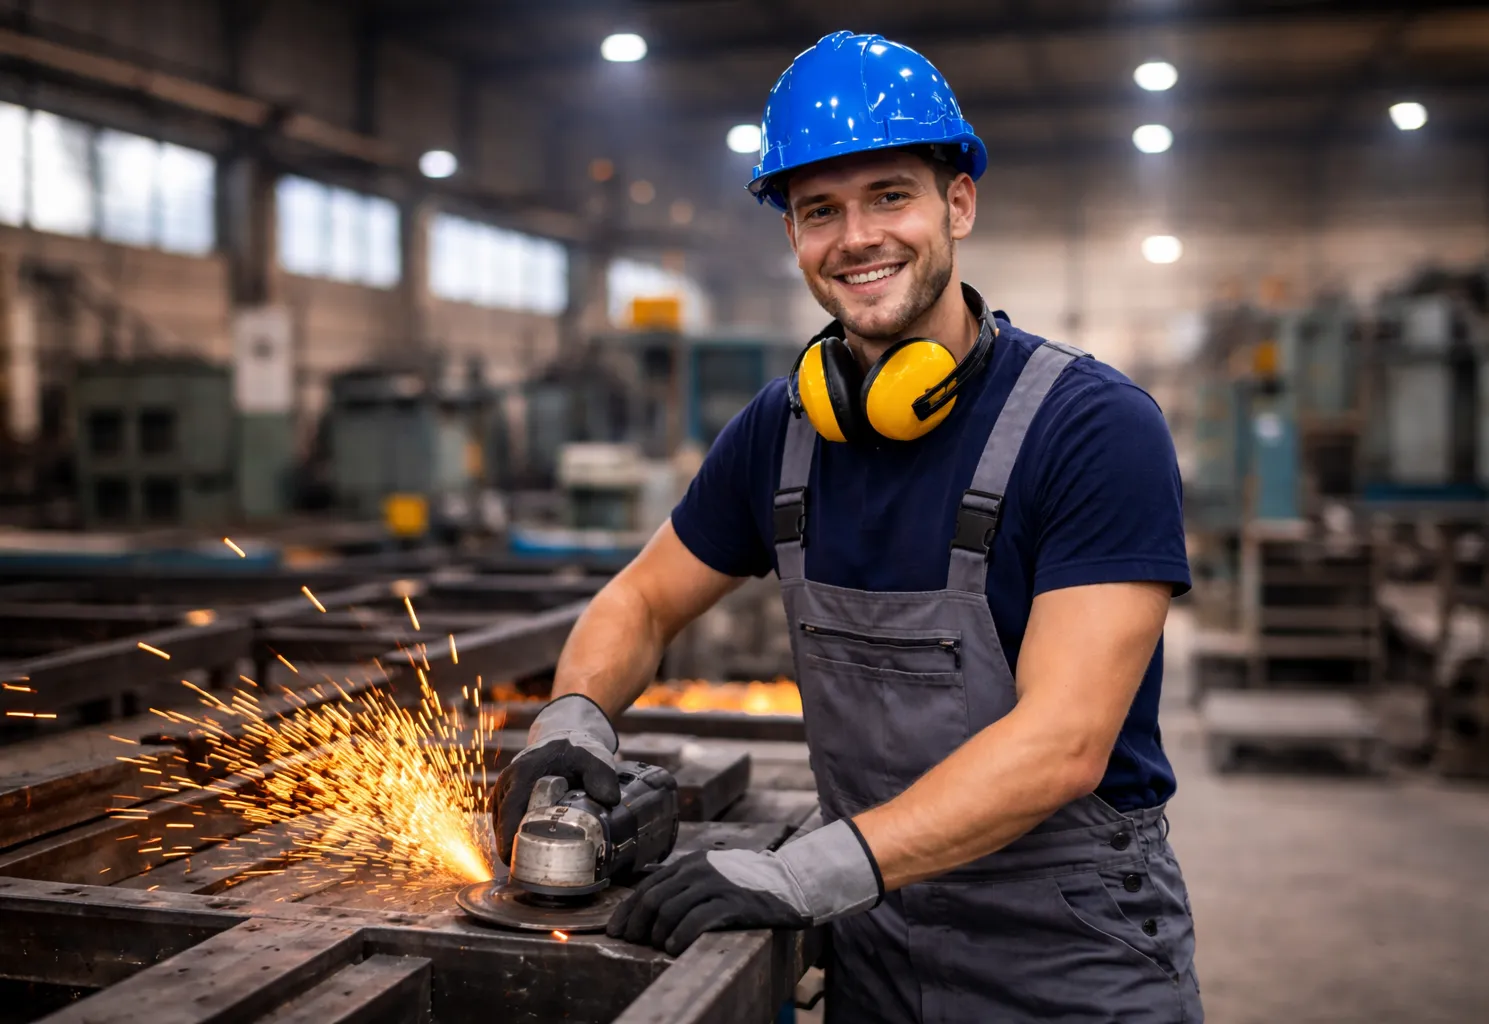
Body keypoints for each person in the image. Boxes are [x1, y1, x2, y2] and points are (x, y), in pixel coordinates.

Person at [495, 30, 1203, 1023]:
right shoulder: (782, 430)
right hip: (873, 945)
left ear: (958, 204)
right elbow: (643, 598)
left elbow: (1065, 740)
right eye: (819, 210)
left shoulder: (1091, 427)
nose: (856, 237)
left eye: (889, 196)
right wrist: (572, 723)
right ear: (792, 234)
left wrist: (800, 874)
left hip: (1070, 955)